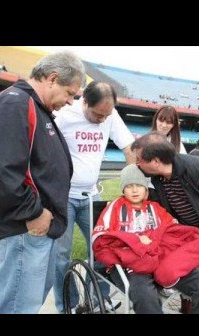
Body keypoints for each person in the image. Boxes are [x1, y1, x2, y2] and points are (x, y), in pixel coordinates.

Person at [0, 51, 86, 314]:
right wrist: (33, 213)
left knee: (26, 304)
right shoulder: (15, 103)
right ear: (52, 79)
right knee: (17, 307)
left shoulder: (35, 106)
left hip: (36, 228)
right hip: (25, 227)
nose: (71, 102)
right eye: (70, 93)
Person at [52, 81, 136, 313]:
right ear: (85, 102)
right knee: (61, 257)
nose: (102, 120)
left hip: (91, 195)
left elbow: (129, 147)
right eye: (98, 114)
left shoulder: (110, 115)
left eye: (105, 115)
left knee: (103, 249)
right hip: (64, 198)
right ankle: (66, 306)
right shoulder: (64, 114)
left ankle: (98, 301)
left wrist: (132, 185)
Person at [131, 132, 199, 314]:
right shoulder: (157, 178)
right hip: (190, 233)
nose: (137, 163)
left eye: (139, 160)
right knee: (195, 276)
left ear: (156, 162)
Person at [92, 164, 199, 314]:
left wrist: (154, 240)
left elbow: (173, 232)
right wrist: (136, 240)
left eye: (139, 185)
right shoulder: (115, 207)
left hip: (161, 261)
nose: (135, 190)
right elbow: (102, 238)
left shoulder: (156, 208)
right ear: (123, 189)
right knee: (145, 294)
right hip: (132, 266)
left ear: (146, 189)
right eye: (129, 186)